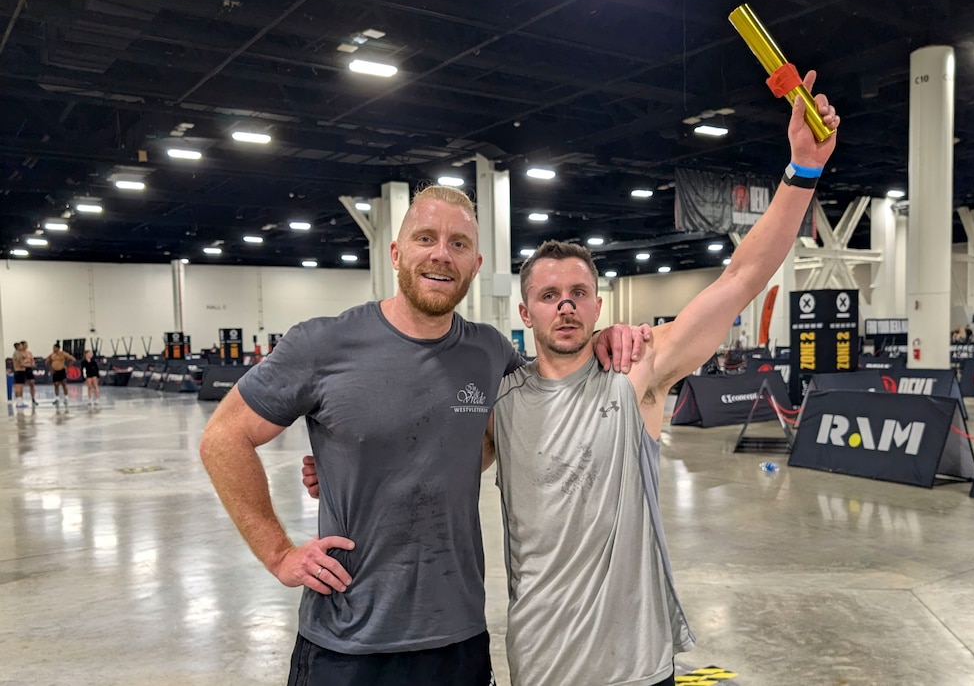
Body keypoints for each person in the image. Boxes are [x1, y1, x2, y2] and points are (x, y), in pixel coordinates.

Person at [199, 184, 648, 686]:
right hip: (348, 643)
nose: (441, 254)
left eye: (459, 244)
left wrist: (607, 336)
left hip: (458, 641)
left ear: (476, 265)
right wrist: (279, 553)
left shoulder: (489, 352)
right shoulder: (323, 343)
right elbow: (223, 437)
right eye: (425, 238)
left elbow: (520, 419)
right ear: (396, 253)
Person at [481, 72, 838, 686]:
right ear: (524, 313)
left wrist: (802, 169)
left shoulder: (636, 371)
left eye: (578, 294)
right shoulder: (502, 401)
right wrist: (340, 467)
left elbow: (739, 279)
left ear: (599, 306)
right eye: (548, 295)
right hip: (540, 663)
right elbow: (432, 471)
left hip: (636, 664)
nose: (564, 306)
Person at [11, 342, 30, 408]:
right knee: (19, 387)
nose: (22, 347)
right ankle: (19, 403)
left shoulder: (17, 353)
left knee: (20, 387)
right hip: (19, 371)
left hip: (19, 372)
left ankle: (20, 402)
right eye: (21, 346)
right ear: (18, 347)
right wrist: (28, 364)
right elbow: (21, 364)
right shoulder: (18, 354)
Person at [21, 340, 38, 406]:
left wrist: (32, 364)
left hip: (29, 369)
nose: (26, 346)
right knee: (21, 385)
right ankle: (20, 400)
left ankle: (33, 399)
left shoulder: (29, 353)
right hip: (22, 369)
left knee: (32, 384)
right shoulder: (20, 353)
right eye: (25, 344)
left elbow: (32, 360)